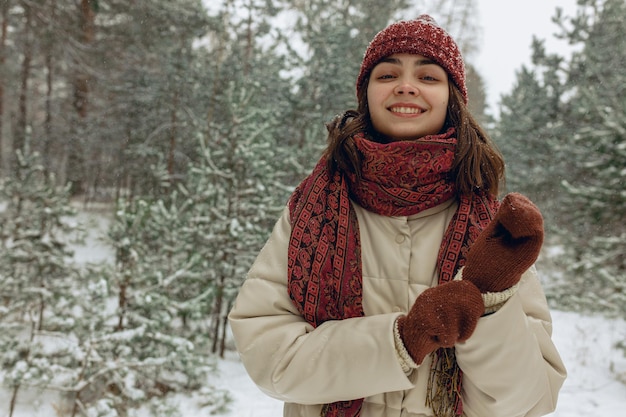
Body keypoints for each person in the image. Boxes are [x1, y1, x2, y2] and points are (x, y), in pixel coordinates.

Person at [228, 15, 566, 417]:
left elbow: (529, 401)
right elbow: (271, 359)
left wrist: (489, 305)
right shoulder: (312, 210)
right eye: (388, 74)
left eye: (428, 77)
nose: (406, 85)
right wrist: (403, 340)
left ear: (451, 98)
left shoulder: (489, 230)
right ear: (367, 94)